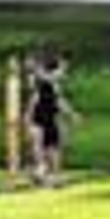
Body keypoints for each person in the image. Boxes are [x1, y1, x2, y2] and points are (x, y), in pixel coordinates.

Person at [24, 47, 77, 186]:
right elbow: (37, 95)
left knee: (53, 146)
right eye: (63, 68)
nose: (64, 73)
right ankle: (42, 170)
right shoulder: (43, 80)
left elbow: (59, 100)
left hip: (50, 115)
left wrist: (71, 113)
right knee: (39, 143)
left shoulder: (52, 81)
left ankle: (53, 174)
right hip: (40, 114)